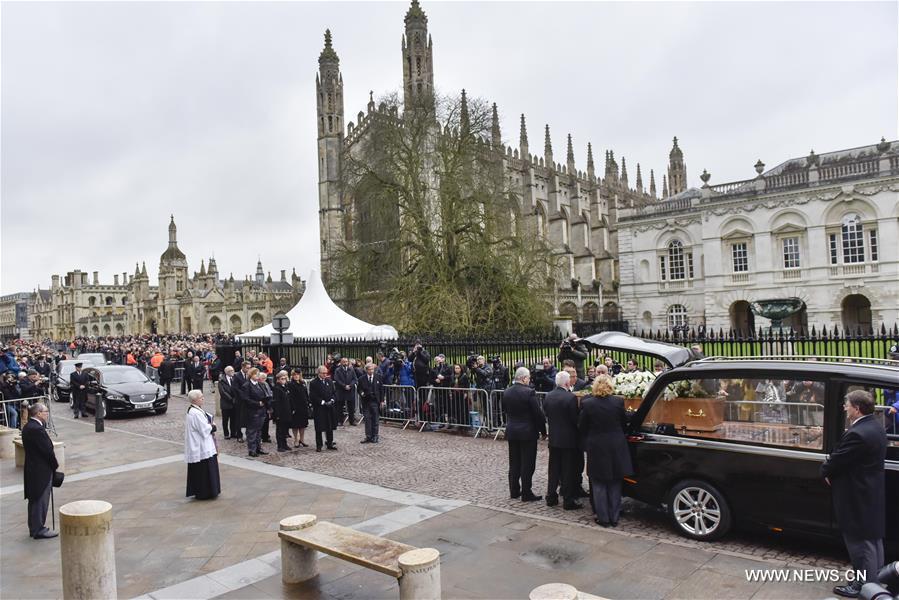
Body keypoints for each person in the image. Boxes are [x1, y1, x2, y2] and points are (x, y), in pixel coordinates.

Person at [821, 389, 887, 598]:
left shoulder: (858, 433)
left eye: (847, 404)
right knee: (872, 540)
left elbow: (837, 460)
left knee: (860, 545)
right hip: (869, 492)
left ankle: (864, 586)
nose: (844, 407)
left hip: (856, 496)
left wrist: (826, 470)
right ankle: (875, 579)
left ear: (856, 409)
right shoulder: (876, 426)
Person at [579, 374, 633, 527]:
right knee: (615, 482)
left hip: (597, 445)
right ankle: (614, 516)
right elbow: (624, 422)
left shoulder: (588, 404)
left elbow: (582, 426)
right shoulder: (618, 402)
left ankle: (603, 517)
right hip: (616, 444)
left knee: (599, 483)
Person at [502, 367, 546, 502]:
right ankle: (526, 492)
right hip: (527, 432)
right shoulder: (529, 392)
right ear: (523, 378)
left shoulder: (507, 392)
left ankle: (514, 490)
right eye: (528, 378)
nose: (529, 380)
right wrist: (543, 431)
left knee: (514, 462)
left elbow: (504, 409)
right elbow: (538, 414)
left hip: (512, 430)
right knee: (527, 463)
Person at [543, 371, 582, 510]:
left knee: (553, 469)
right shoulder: (570, 397)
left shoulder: (548, 396)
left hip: (554, 438)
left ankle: (551, 496)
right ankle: (568, 500)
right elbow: (574, 420)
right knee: (567, 470)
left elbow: (546, 413)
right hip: (568, 439)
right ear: (567, 383)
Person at [22, 402, 59, 538]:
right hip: (40, 470)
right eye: (45, 411)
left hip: (34, 468)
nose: (47, 414)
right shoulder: (36, 429)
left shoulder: (29, 426)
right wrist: (55, 465)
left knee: (35, 500)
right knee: (40, 500)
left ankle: (34, 527)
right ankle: (38, 529)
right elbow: (47, 450)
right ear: (38, 413)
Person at [184, 390, 221, 500]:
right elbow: (203, 429)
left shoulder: (194, 410)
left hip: (200, 444)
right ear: (195, 400)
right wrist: (213, 426)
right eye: (201, 397)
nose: (203, 399)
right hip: (201, 446)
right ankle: (206, 492)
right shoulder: (195, 413)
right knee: (204, 471)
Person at [309, 366, 337, 451]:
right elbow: (313, 396)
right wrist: (323, 402)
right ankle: (319, 445)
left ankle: (330, 443)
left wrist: (332, 400)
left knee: (330, 426)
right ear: (319, 373)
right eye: (323, 373)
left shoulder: (329, 381)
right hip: (320, 408)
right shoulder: (314, 383)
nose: (325, 375)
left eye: (326, 373)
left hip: (329, 407)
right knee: (319, 427)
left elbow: (334, 393)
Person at [244, 368, 270, 457]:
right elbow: (246, 399)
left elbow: (264, 394)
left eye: (258, 374)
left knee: (259, 431)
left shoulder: (260, 384)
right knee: (252, 431)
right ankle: (252, 449)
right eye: (255, 374)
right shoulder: (247, 385)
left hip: (262, 410)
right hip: (253, 411)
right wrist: (257, 403)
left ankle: (258, 448)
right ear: (251, 375)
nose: (257, 376)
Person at [359, 362, 384, 443]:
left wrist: (382, 401)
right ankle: (368, 436)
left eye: (373, 369)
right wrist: (362, 393)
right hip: (366, 401)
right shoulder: (362, 378)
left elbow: (381, 390)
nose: (371, 371)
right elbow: (359, 389)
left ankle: (375, 436)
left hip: (375, 401)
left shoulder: (378, 377)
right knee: (367, 419)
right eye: (370, 369)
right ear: (366, 370)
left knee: (375, 419)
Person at [287, 369, 310, 448]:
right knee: (295, 425)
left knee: (303, 424)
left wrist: (308, 402)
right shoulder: (290, 384)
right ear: (292, 376)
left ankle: (302, 439)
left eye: (298, 374)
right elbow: (290, 397)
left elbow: (306, 394)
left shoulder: (302, 383)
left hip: (303, 406)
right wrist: (292, 407)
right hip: (295, 407)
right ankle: (296, 440)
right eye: (295, 374)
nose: (296, 376)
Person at [271, 370, 292, 452]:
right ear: (278, 380)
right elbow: (276, 403)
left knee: (285, 430)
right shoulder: (277, 388)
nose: (284, 380)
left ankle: (284, 444)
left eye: (285, 379)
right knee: (280, 430)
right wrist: (277, 414)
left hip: (286, 411)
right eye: (282, 379)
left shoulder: (285, 387)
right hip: (280, 412)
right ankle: (280, 445)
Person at [334, 356, 358, 426]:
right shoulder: (337, 370)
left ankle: (352, 421)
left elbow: (355, 379)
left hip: (350, 390)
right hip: (341, 390)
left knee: (351, 407)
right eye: (343, 362)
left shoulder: (351, 369)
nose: (345, 363)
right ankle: (340, 421)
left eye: (346, 361)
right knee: (340, 407)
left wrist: (350, 385)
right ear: (341, 362)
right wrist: (344, 386)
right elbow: (337, 379)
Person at [218, 366, 239, 439]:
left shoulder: (234, 378)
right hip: (226, 403)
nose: (232, 372)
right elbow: (222, 392)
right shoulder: (222, 380)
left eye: (233, 370)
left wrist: (235, 398)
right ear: (227, 372)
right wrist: (230, 399)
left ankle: (233, 432)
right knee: (225, 419)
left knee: (234, 419)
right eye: (230, 371)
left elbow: (237, 389)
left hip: (234, 402)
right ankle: (226, 434)